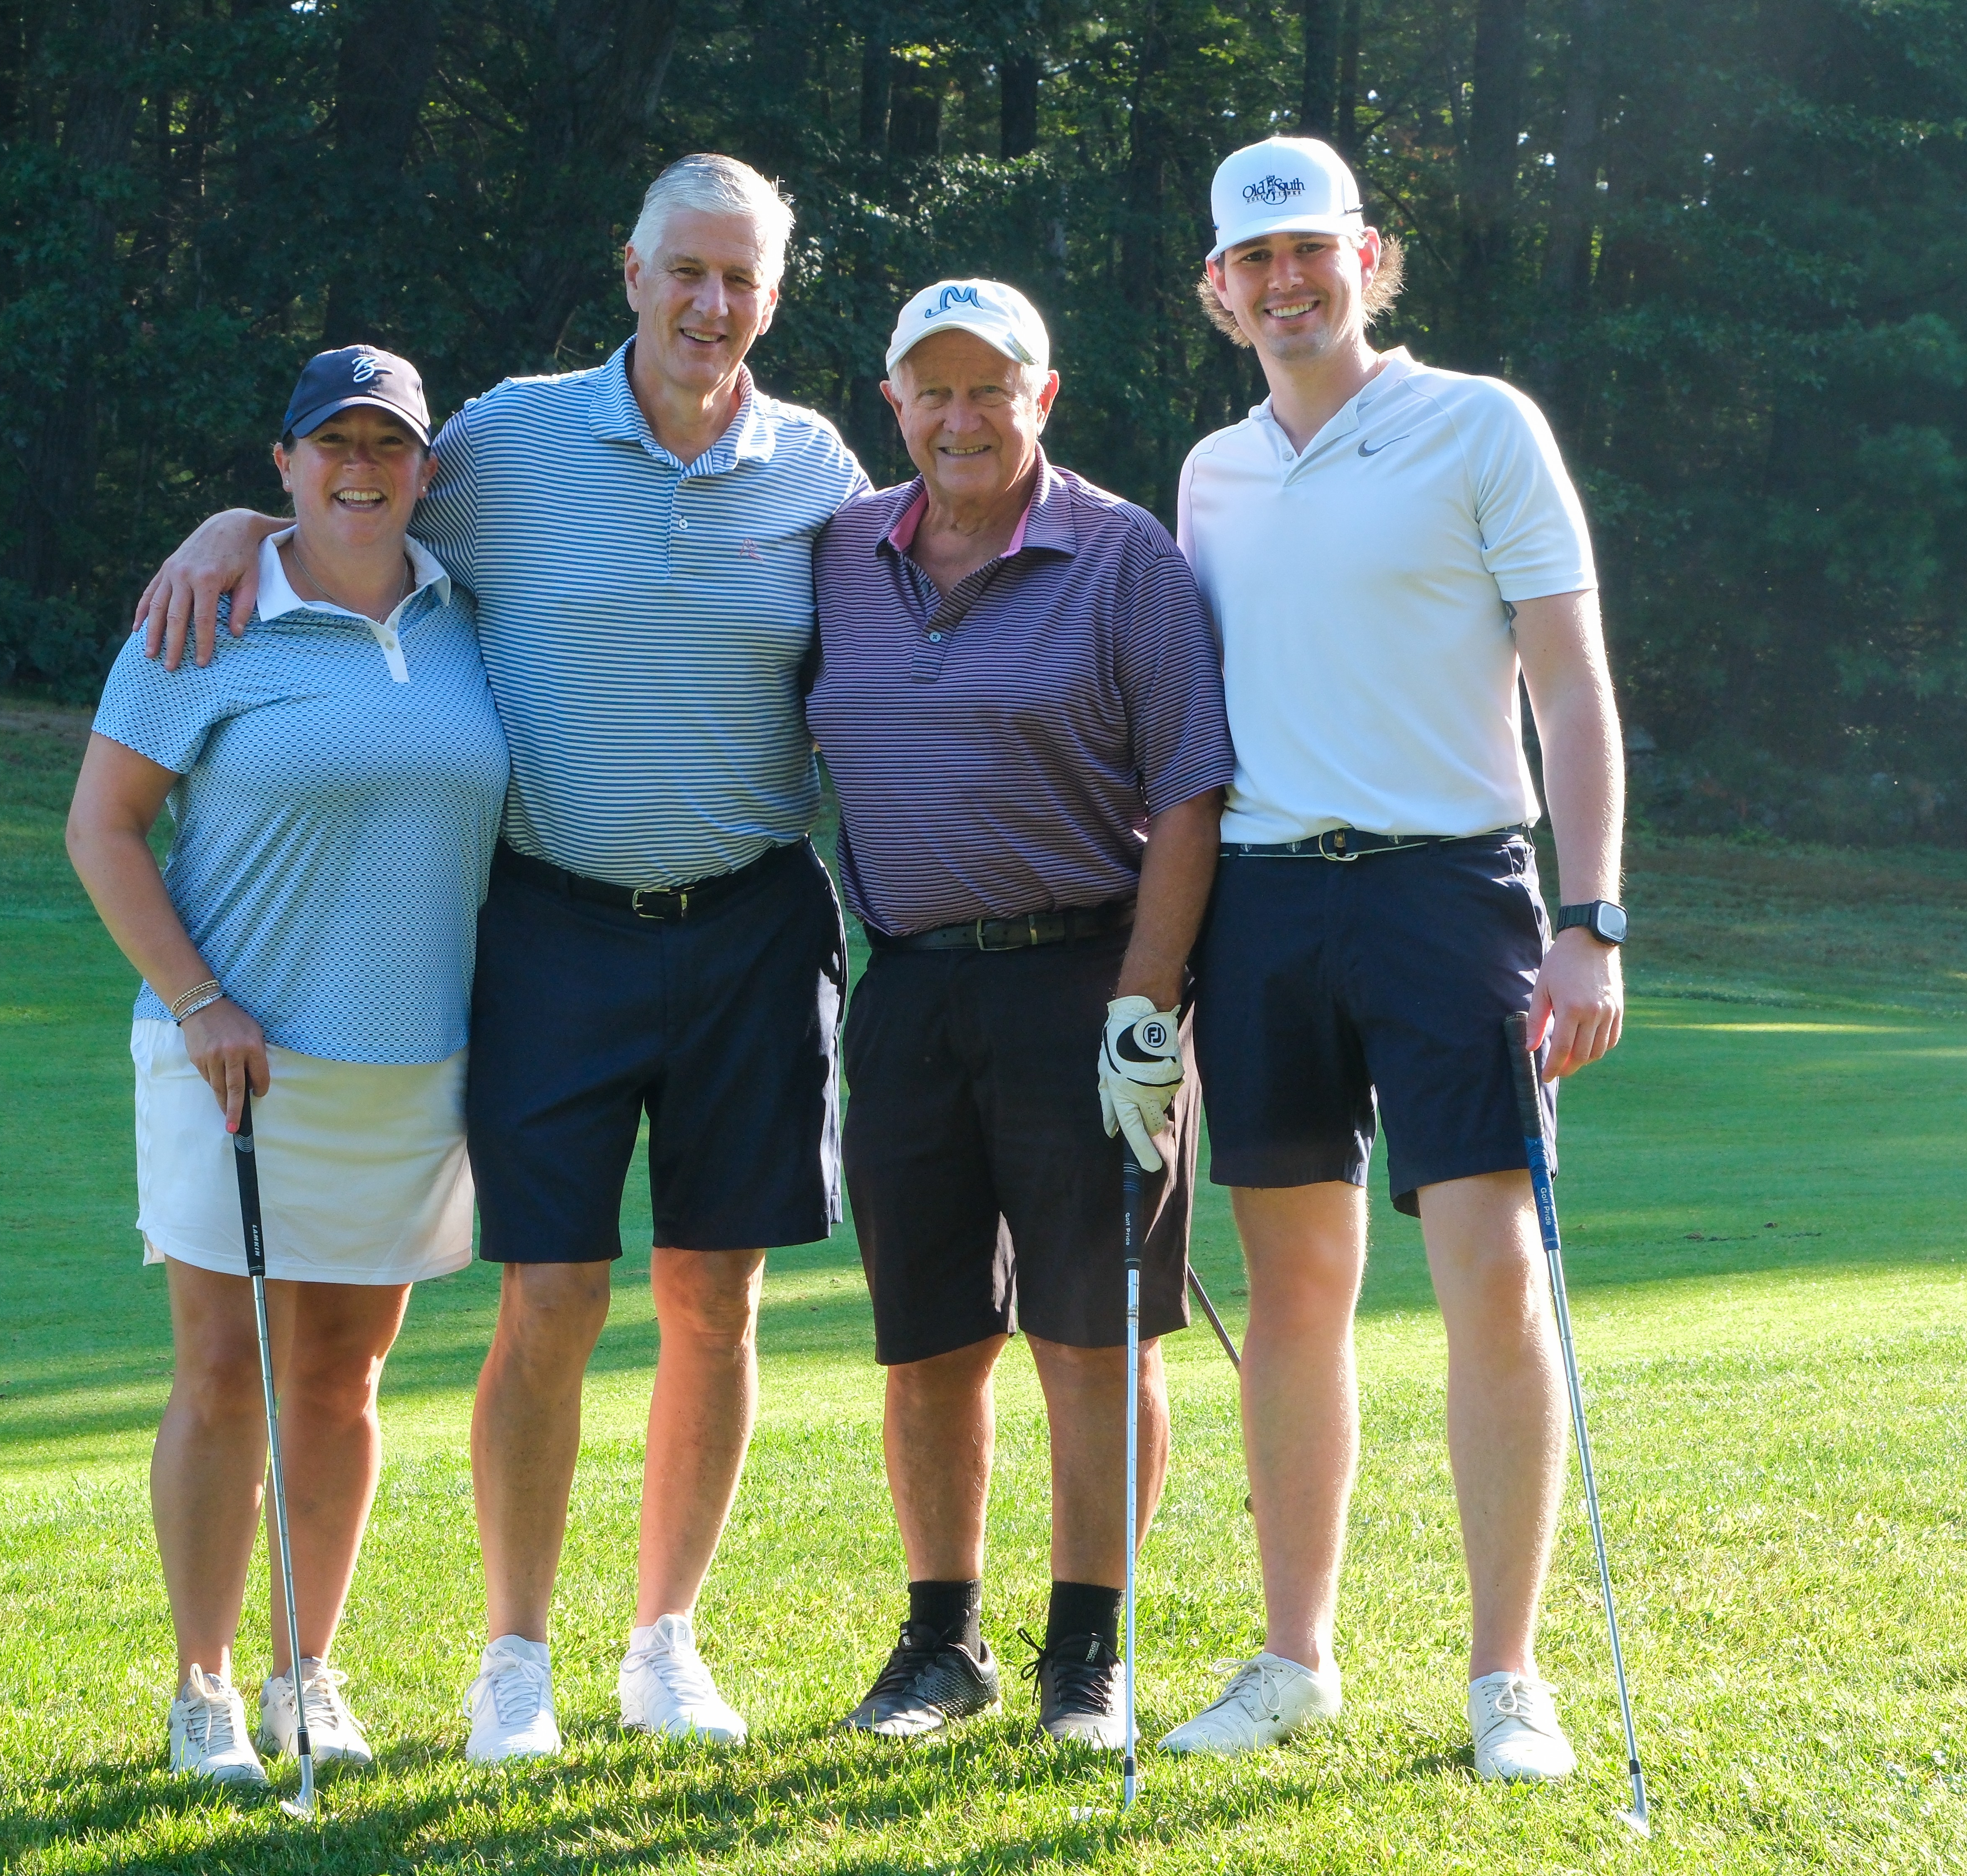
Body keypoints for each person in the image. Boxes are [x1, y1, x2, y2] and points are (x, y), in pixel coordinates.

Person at [131, 155, 866, 1762]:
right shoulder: (517, 437)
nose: (710, 303)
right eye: (684, 268)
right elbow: (356, 491)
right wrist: (233, 518)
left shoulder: (815, 463)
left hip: (749, 918)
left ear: (775, 294)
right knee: (553, 1294)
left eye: (741, 279)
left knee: (718, 1299)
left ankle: (665, 1642)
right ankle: (511, 1662)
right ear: (629, 268)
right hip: (548, 924)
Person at [1157, 136, 1630, 1784]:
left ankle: (1510, 1677)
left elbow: (1571, 690)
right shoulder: (1208, 478)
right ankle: (1295, 1657)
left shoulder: (1482, 426)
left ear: (1371, 258)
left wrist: (1591, 915)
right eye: (1255, 259)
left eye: (1314, 249)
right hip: (1270, 906)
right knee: (1297, 1294)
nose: (1287, 279)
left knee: (1493, 1274)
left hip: (1457, 894)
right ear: (1220, 291)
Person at [65, 346, 508, 1788]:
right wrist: (197, 1002)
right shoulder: (206, 617)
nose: (361, 469)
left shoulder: (468, 613)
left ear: (426, 469)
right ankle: (202, 1688)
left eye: (389, 444)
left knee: (340, 1382)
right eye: (334, 445)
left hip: (407, 1067)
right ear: (285, 464)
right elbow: (104, 829)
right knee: (218, 1374)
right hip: (232, 1058)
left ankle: (306, 1673)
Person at [808, 280, 1232, 1748]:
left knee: (1096, 1335)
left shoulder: (1127, 560)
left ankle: (1087, 1654)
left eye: (992, 388)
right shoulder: (842, 552)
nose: (961, 415)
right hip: (911, 982)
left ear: (1042, 399)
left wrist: (1146, 1008)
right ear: (895, 405)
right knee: (927, 1337)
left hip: (1088, 978)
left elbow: (1190, 794)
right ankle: (943, 1645)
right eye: (933, 389)